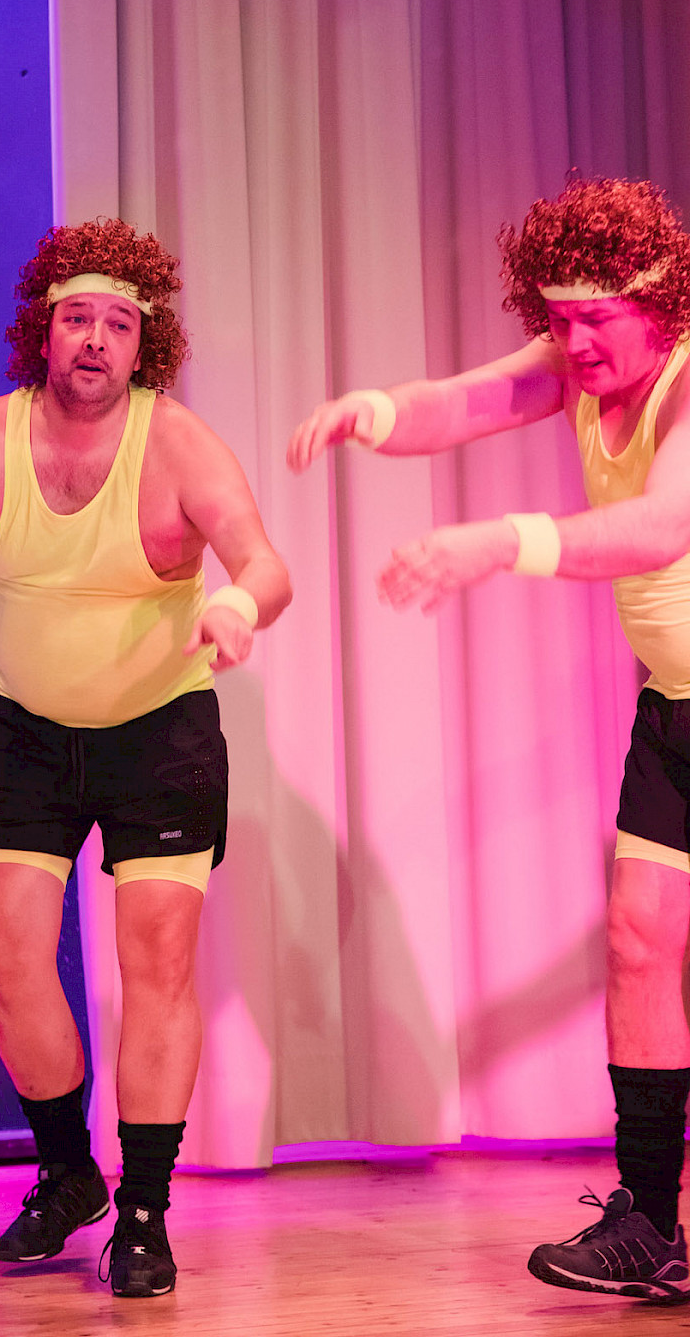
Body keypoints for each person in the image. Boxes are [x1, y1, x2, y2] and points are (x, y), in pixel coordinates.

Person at [288, 176, 690, 1303]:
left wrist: (502, 543)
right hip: (676, 709)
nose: (575, 342)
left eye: (597, 318)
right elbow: (464, 403)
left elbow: (665, 524)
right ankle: (651, 1225)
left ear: (661, 302)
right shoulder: (574, 367)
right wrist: (373, 413)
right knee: (639, 942)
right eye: (558, 319)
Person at [0, 219, 291, 1298]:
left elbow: (263, 563)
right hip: (29, 734)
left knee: (157, 971)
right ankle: (69, 1175)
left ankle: (143, 1210)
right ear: (43, 332)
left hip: (161, 737)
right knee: (9, 964)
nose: (96, 340)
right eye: (77, 320)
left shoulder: (177, 443)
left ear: (143, 343)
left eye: (117, 324)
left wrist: (238, 607)